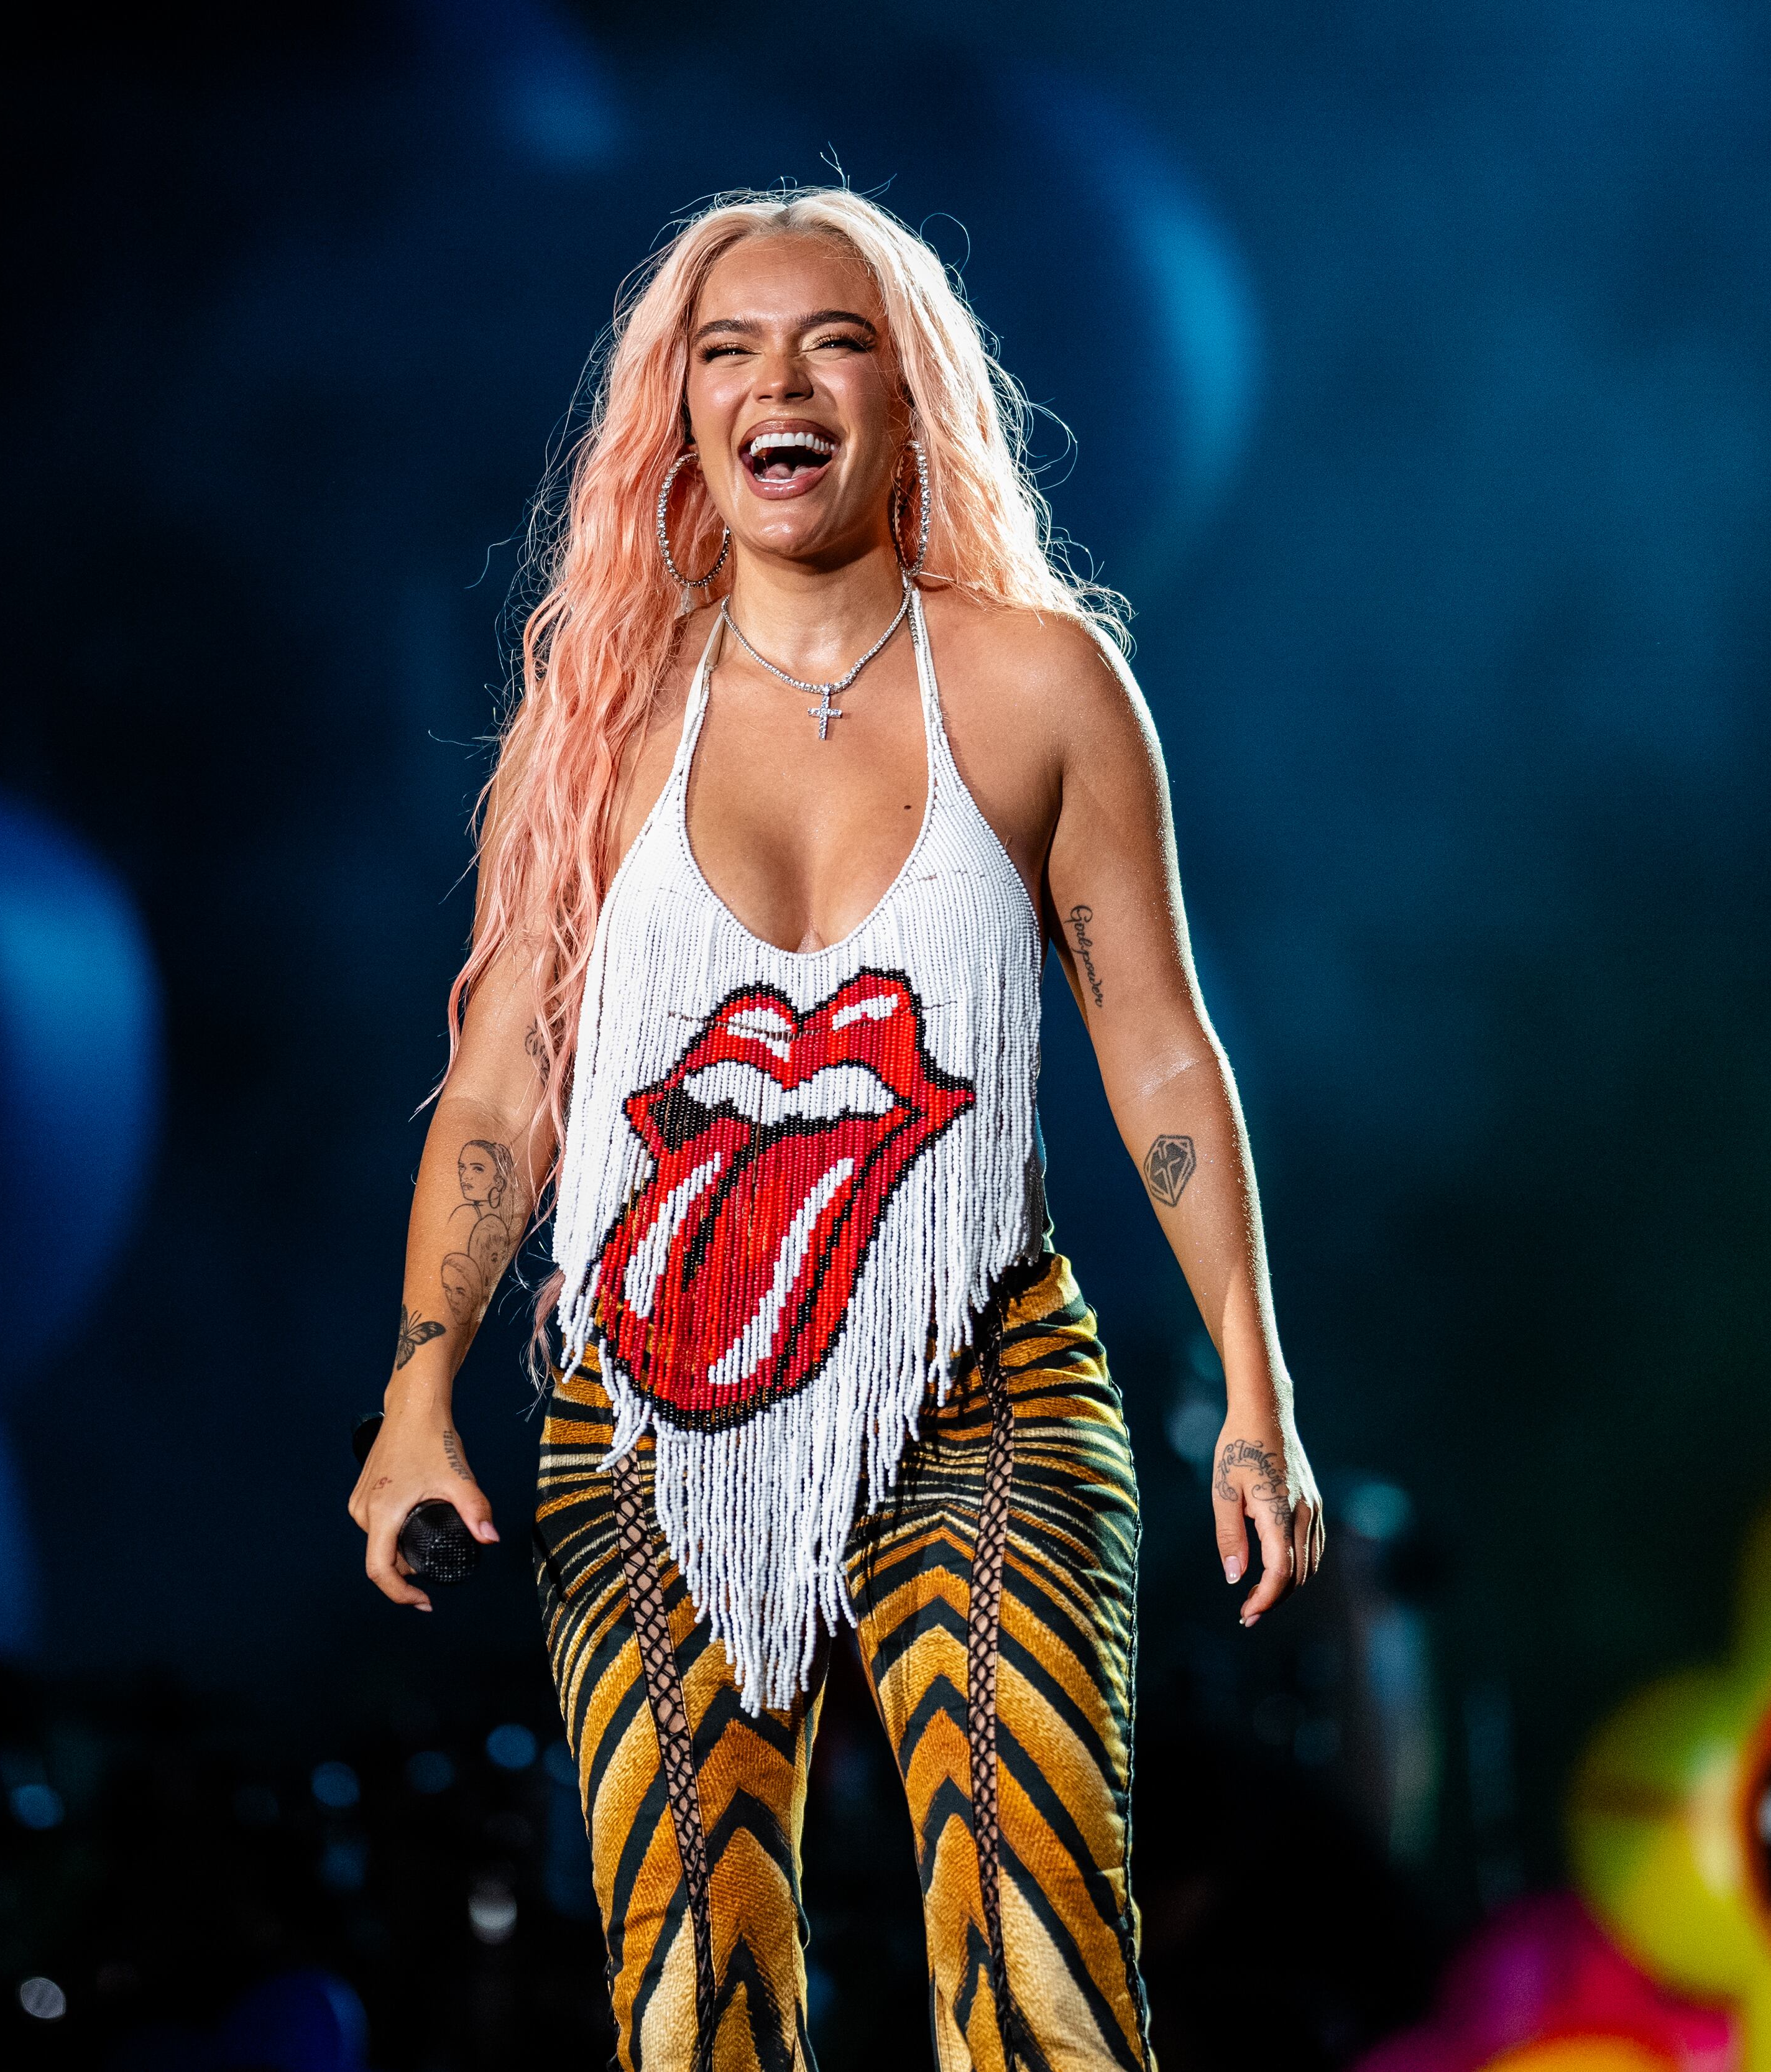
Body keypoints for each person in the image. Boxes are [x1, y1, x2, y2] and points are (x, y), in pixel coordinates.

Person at [347, 186, 1323, 2072]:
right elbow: (500, 1088)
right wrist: (414, 1393)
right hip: (645, 1409)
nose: (774, 382)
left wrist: (1256, 1398)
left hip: (988, 1387)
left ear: (903, 393)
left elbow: (1163, 1058)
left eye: (829, 339)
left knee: (1042, 1984)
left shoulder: (1038, 682)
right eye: (728, 349)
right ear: (682, 413)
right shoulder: (598, 714)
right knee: (690, 2014)